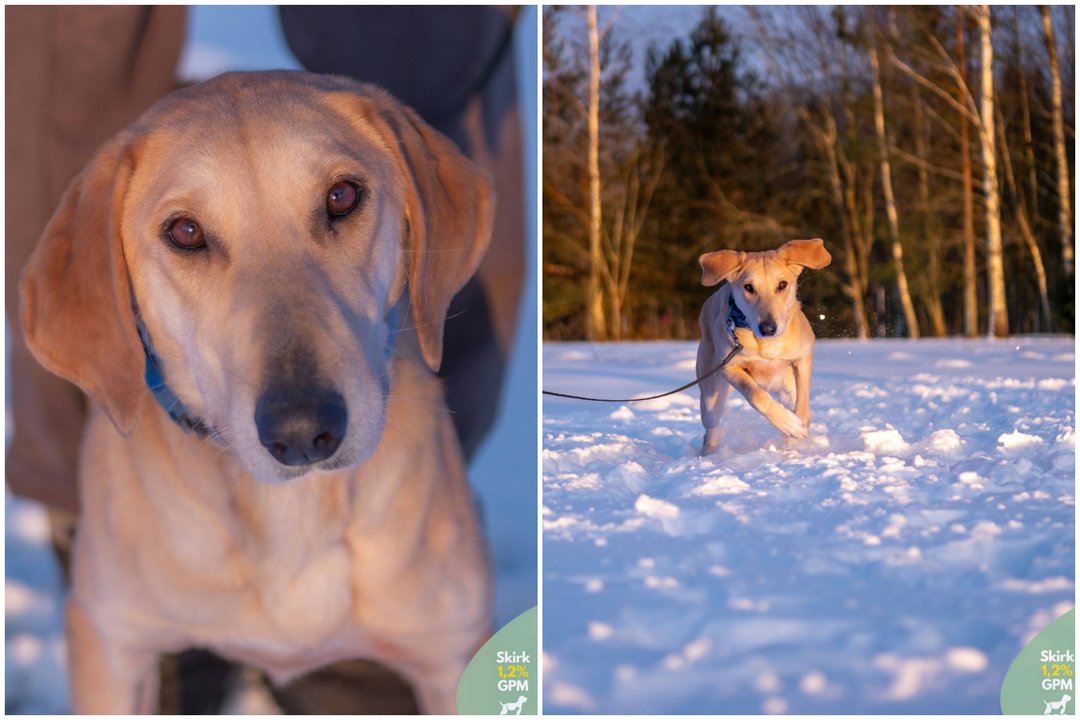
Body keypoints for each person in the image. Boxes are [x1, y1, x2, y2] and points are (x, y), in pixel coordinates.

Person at [6, 6, 526, 713]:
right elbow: (104, 639)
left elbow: (499, 687)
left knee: (423, 40)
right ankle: (84, 520)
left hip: (407, 506)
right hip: (154, 514)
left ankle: (372, 647)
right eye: (189, 236)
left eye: (339, 203)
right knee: (72, 58)